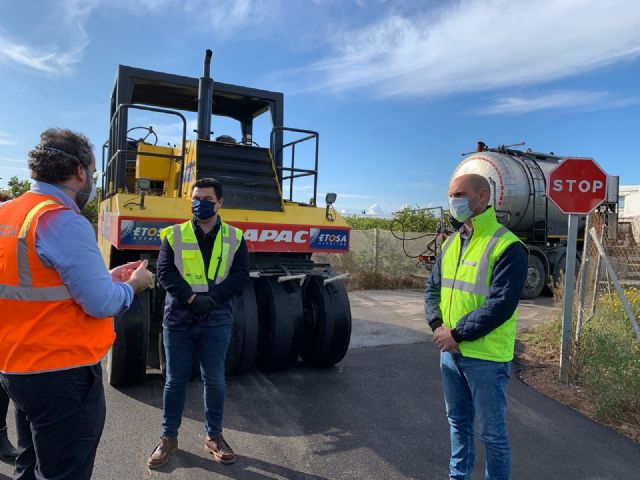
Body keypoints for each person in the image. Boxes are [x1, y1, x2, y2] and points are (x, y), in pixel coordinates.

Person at [0, 128, 153, 480]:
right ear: (81, 172)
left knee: (30, 463)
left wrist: (106, 275)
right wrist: (133, 285)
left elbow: (37, 282)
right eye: (95, 174)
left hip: (16, 368)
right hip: (61, 375)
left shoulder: (10, 214)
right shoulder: (62, 221)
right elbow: (101, 304)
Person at [424, 173, 528, 480]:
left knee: (492, 435)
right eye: (450, 194)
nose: (452, 201)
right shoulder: (451, 243)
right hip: (450, 354)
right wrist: (437, 326)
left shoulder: (508, 246)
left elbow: (500, 305)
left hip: (486, 357)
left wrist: (456, 334)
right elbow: (432, 290)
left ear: (483, 197)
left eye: (459, 194)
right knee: (458, 424)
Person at [148, 177, 249, 468]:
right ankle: (168, 438)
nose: (199, 203)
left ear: (219, 202)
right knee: (174, 381)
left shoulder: (235, 237)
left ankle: (214, 436)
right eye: (195, 198)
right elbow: (165, 273)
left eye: (206, 198)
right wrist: (193, 299)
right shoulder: (173, 234)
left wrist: (212, 299)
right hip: (179, 319)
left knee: (215, 380)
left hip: (216, 320)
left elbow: (240, 276)